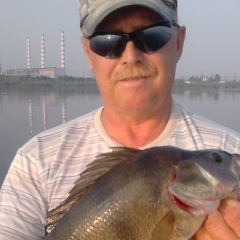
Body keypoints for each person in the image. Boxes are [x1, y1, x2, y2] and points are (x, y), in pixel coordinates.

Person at [0, 0, 240, 239]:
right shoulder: (35, 162)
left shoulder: (234, 150)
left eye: (152, 35)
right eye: (107, 41)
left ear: (178, 43)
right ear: (88, 54)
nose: (131, 55)